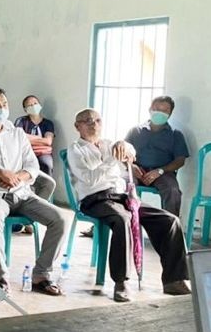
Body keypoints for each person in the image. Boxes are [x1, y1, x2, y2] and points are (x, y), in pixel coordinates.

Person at [67, 109, 191, 302]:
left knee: (170, 221)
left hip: (122, 196)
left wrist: (124, 146)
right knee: (122, 219)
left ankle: (174, 280)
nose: (94, 125)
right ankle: (121, 282)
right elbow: (90, 179)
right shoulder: (76, 150)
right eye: (88, 121)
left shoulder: (109, 144)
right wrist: (112, 160)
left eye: (98, 120)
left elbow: (131, 153)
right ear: (77, 126)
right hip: (95, 198)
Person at [0, 87, 66, 296]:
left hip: (22, 194)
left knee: (60, 219)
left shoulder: (17, 133)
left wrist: (18, 177)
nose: (1, 109)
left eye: (4, 104)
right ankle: (1, 278)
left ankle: (41, 274)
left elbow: (32, 166)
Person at [125, 96, 189, 217]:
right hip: (136, 171)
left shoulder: (175, 134)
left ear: (170, 114)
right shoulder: (135, 131)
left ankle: (170, 226)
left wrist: (160, 171)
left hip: (163, 174)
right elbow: (123, 153)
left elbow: (180, 160)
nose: (160, 113)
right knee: (117, 184)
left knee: (173, 191)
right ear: (150, 109)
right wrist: (131, 166)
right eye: (157, 109)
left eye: (165, 110)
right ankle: (118, 222)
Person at [14, 95, 55, 176]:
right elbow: (18, 137)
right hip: (25, 153)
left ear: (40, 105)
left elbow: (48, 141)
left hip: (43, 153)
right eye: (30, 105)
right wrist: (41, 139)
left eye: (35, 103)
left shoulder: (48, 123)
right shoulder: (21, 121)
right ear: (25, 109)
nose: (33, 106)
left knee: (47, 165)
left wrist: (27, 137)